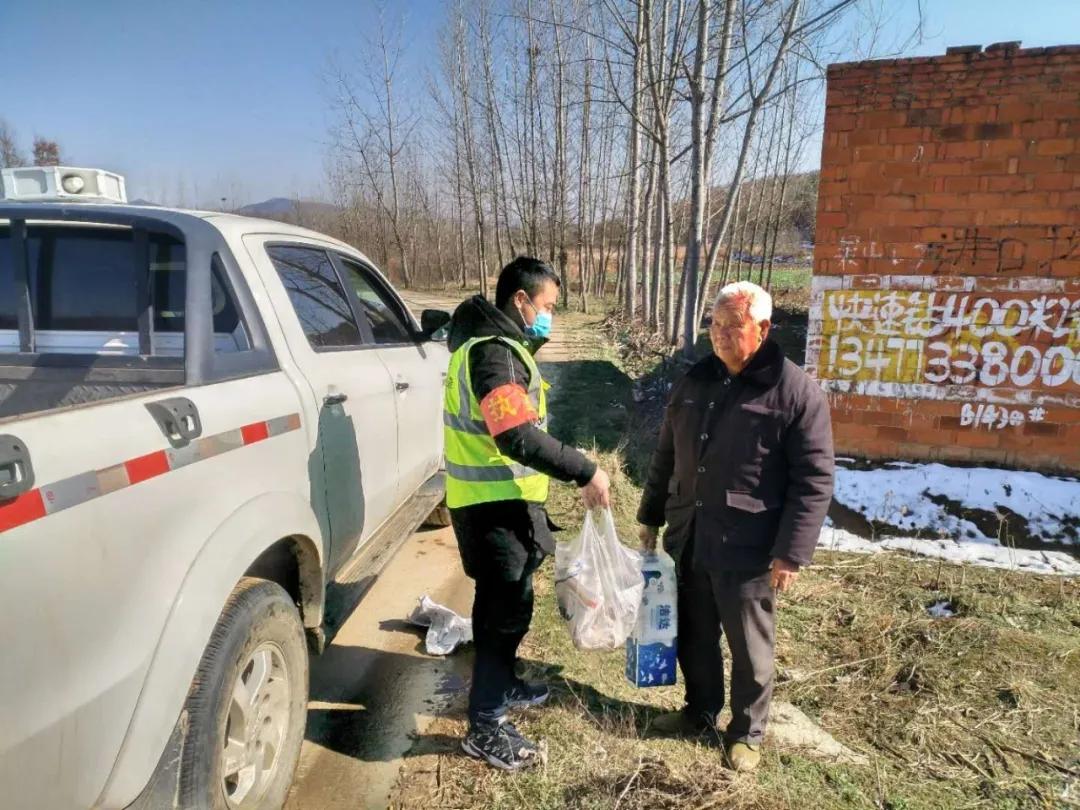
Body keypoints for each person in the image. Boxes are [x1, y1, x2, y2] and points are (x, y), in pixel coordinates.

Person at [636, 281, 834, 772]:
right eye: (715, 325)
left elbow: (814, 478)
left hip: (748, 544)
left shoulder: (794, 393)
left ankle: (747, 731)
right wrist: (650, 515)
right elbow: (667, 455)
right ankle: (699, 710)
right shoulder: (695, 380)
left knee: (749, 645)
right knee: (695, 634)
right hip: (688, 533)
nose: (720, 335)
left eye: (732, 326)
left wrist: (791, 551)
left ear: (763, 330)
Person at [444, 256, 612, 771]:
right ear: (521, 300)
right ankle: (486, 725)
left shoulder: (502, 348)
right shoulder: (494, 355)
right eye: (548, 307)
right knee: (500, 614)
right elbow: (514, 434)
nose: (550, 317)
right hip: (490, 509)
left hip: (503, 505)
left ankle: (506, 686)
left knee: (509, 607)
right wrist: (583, 470)